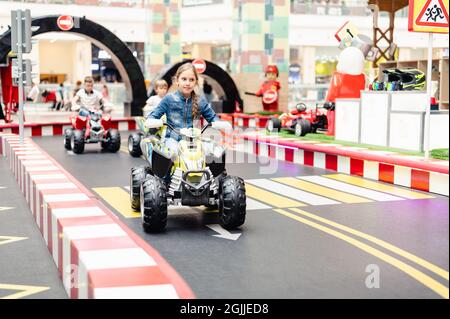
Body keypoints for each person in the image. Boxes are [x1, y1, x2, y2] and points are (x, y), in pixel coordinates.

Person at [147, 63, 221, 163]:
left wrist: (220, 124)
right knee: (172, 155)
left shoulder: (200, 101)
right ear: (177, 81)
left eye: (191, 80)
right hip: (172, 140)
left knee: (211, 153)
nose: (188, 83)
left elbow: (213, 117)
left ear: (195, 82)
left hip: (194, 141)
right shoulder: (169, 99)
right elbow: (153, 115)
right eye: (184, 79)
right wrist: (152, 121)